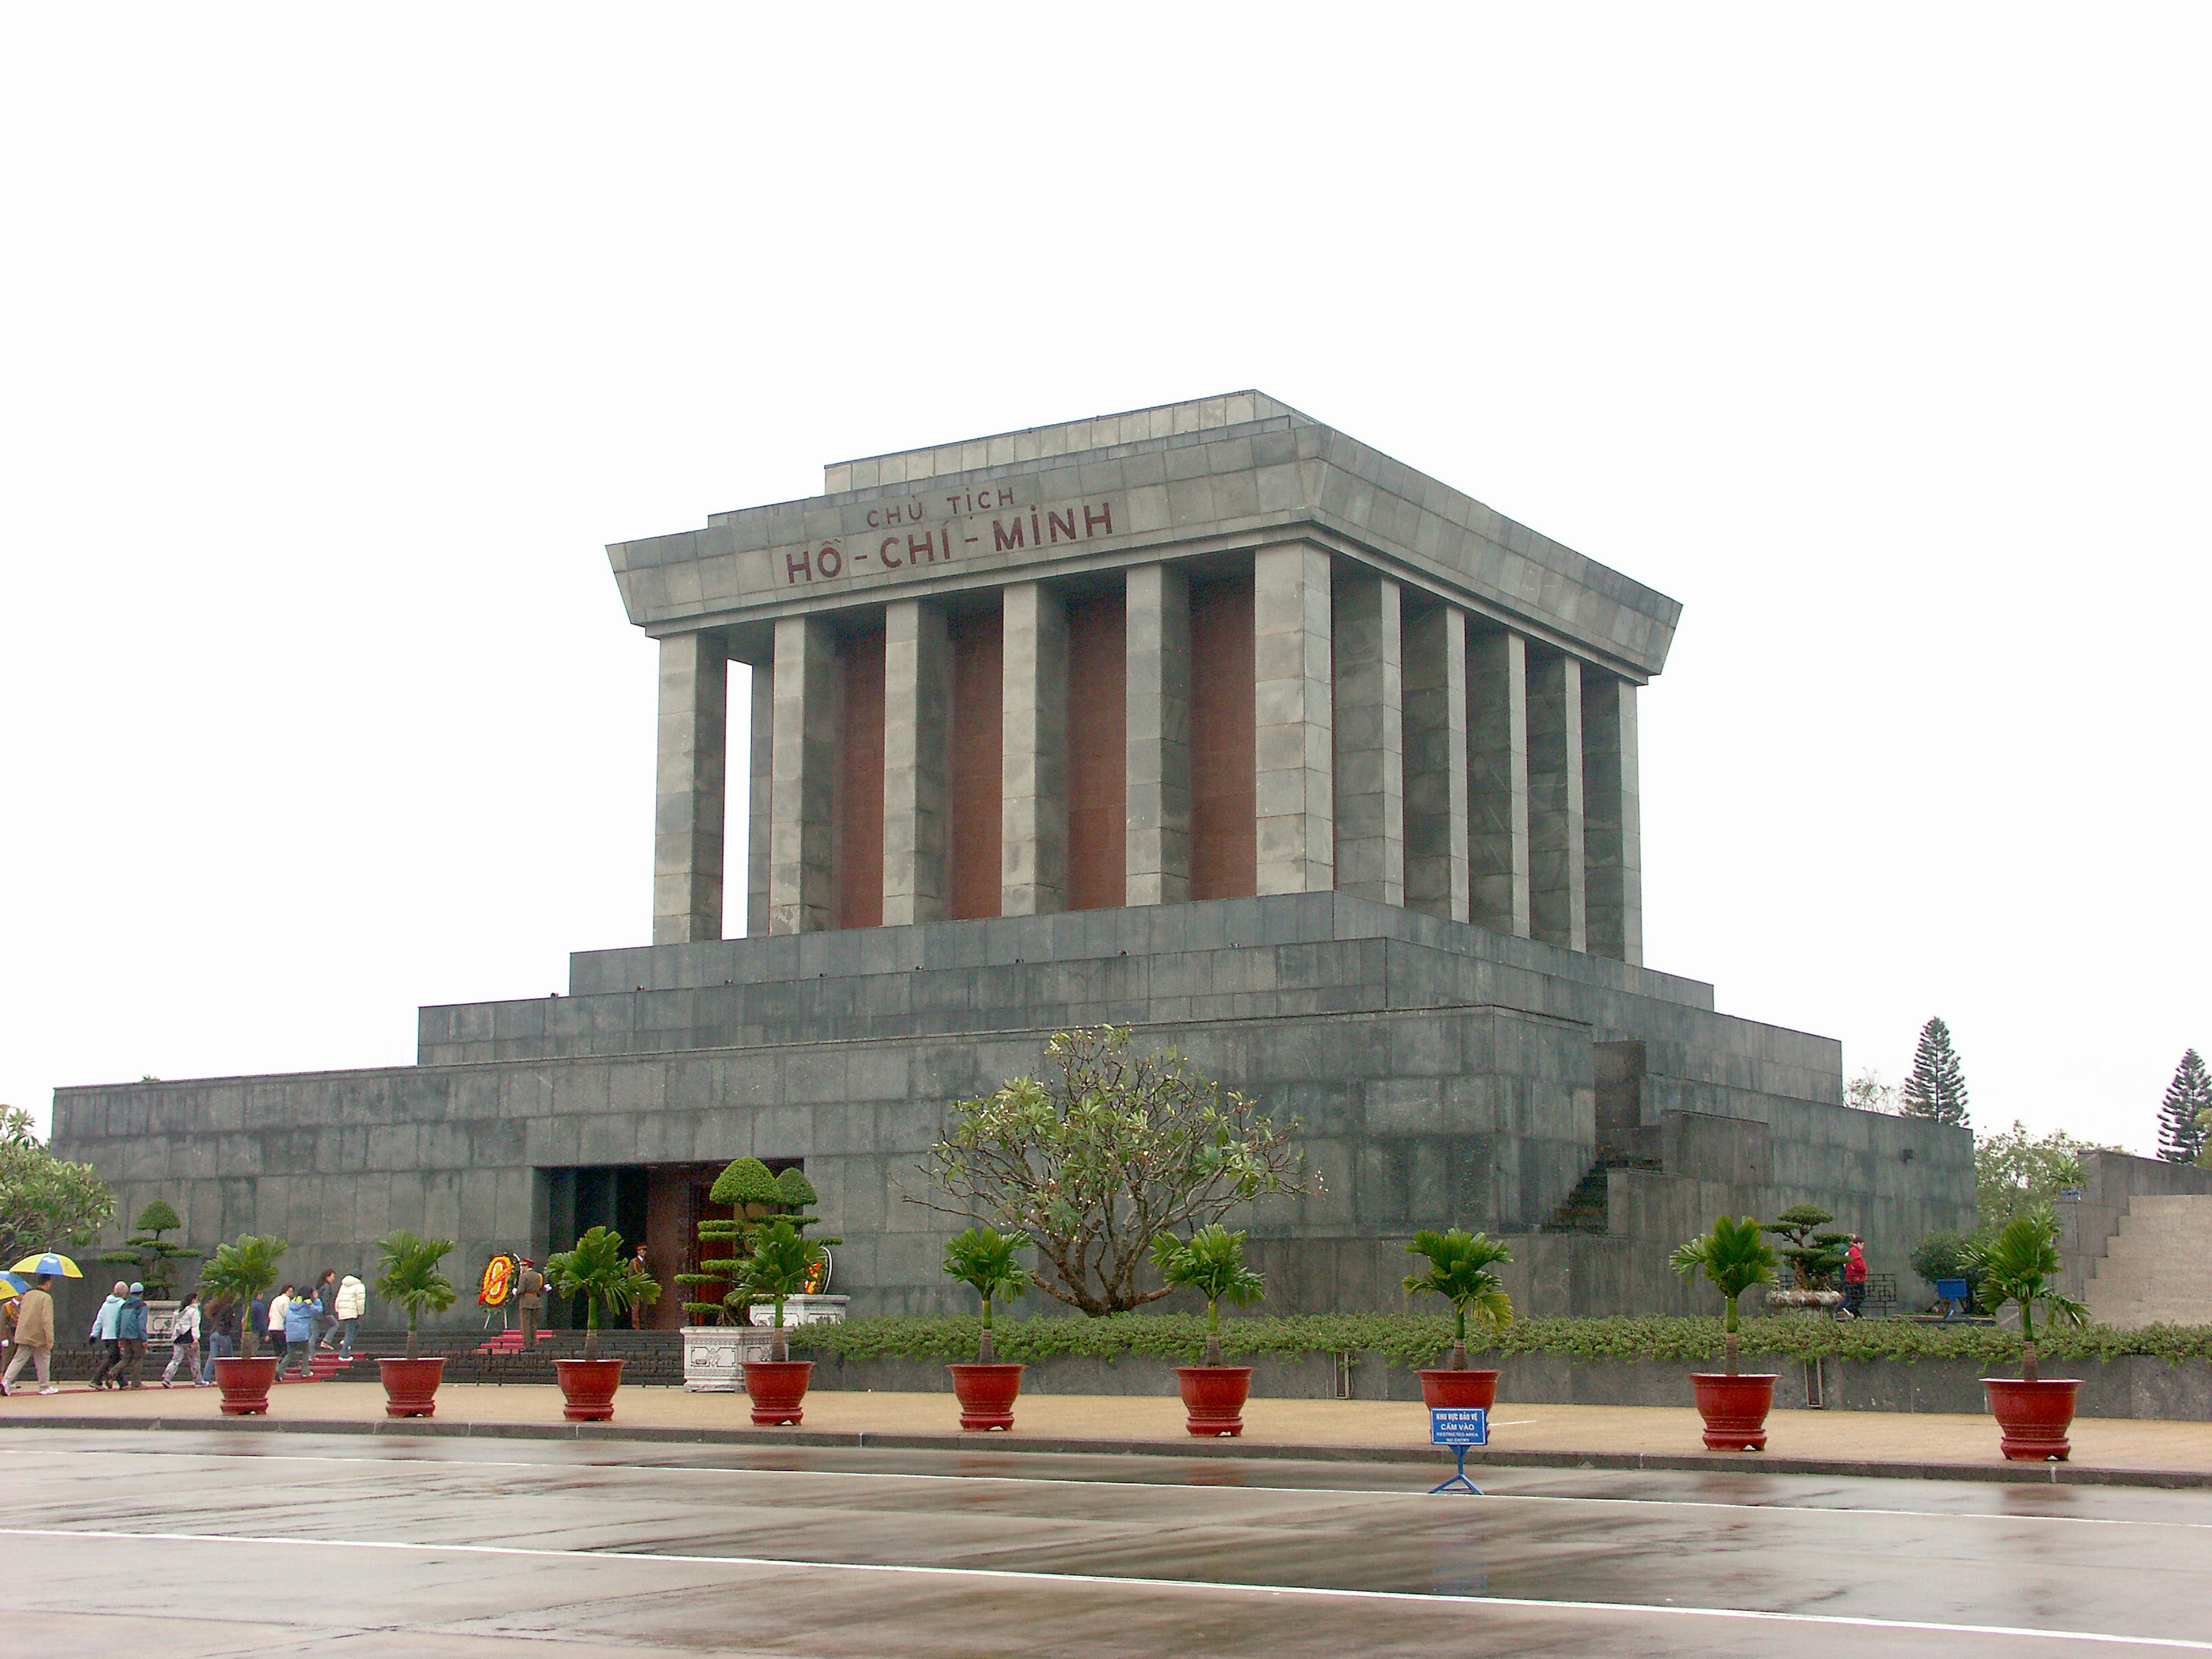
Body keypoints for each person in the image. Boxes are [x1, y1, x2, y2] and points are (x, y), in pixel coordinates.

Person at [1, 1275, 60, 1395]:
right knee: (43, 1359)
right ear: (47, 1283)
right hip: (39, 1335)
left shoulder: (27, 1296)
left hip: (24, 1333)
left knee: (19, 1359)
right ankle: (44, 1386)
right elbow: (47, 1320)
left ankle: (6, 1382)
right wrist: (50, 1339)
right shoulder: (46, 1298)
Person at [88, 1281, 128, 1389]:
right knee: (110, 1360)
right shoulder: (122, 1304)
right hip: (116, 1336)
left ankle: (123, 1383)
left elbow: (99, 1320)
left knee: (115, 1359)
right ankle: (96, 1380)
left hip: (106, 1336)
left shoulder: (105, 1304)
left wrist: (94, 1334)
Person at [161, 1292, 202, 1388]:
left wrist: (173, 1336)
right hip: (190, 1338)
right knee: (195, 1360)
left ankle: (167, 1378)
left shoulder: (178, 1312)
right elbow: (195, 1325)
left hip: (178, 1338)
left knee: (175, 1360)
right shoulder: (194, 1311)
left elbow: (173, 1326)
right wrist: (196, 1338)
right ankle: (198, 1380)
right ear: (193, 1300)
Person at [115, 1282, 150, 1388]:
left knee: (126, 1358)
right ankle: (136, 1383)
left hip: (124, 1336)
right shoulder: (141, 1305)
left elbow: (118, 1322)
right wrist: (144, 1339)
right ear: (141, 1293)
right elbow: (141, 1322)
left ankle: (112, 1373)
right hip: (136, 1336)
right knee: (138, 1358)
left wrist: (119, 1337)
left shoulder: (124, 1305)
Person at [279, 1288, 317, 1378]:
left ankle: (280, 1370)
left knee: (290, 1354)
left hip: (291, 1334)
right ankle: (305, 1371)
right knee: (306, 1351)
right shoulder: (307, 1306)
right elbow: (318, 1311)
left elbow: (285, 1320)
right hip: (302, 1334)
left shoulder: (291, 1306)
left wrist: (286, 1331)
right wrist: (316, 1300)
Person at [200, 1296, 238, 1384]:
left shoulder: (218, 1308)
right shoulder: (229, 1308)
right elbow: (229, 1321)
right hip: (223, 1333)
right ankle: (231, 1377)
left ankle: (206, 1378)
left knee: (212, 1357)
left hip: (214, 1332)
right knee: (229, 1357)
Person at [332, 1271, 365, 1357]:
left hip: (343, 1311)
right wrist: (360, 1312)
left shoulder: (344, 1285)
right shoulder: (360, 1286)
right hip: (352, 1311)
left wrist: (338, 1309)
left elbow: (338, 1298)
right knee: (350, 1332)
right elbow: (360, 1301)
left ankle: (346, 1342)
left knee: (356, 1327)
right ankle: (344, 1354)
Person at [516, 1258, 544, 1346]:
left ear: (527, 1266)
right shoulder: (538, 1276)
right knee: (534, 1325)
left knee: (526, 1325)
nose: (522, 1268)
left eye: (523, 1266)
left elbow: (521, 1290)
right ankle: (533, 1344)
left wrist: (515, 1292)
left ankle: (527, 1345)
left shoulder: (524, 1276)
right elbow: (540, 1290)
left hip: (526, 1302)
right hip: (536, 1302)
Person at [310, 1270, 339, 1351]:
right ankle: (326, 1341)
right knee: (335, 1325)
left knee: (314, 1334)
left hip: (314, 1312)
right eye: (333, 1276)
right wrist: (327, 1313)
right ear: (327, 1277)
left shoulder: (319, 1287)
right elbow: (325, 1300)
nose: (334, 1279)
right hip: (323, 1312)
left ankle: (310, 1355)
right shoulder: (327, 1287)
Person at [1842, 1234, 1869, 1320]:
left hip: (1853, 1278)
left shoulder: (1852, 1251)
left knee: (1855, 1297)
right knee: (1860, 1296)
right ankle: (1850, 1309)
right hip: (1856, 1279)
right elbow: (1857, 1264)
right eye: (1863, 1245)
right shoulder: (1855, 1251)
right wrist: (1863, 1270)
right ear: (1859, 1244)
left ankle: (1856, 1315)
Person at [267, 1285, 292, 1371]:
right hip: (281, 1328)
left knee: (277, 1350)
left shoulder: (275, 1300)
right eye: (290, 1292)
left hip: (272, 1327)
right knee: (285, 1349)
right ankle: (279, 1367)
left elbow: (270, 1314)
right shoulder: (287, 1300)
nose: (291, 1294)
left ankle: (277, 1367)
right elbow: (287, 1314)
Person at [627, 1245, 649, 1330]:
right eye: (642, 1251)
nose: (644, 1252)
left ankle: (643, 1326)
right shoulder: (634, 1262)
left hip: (644, 1288)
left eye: (645, 1251)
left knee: (644, 1309)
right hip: (636, 1289)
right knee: (636, 1309)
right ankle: (636, 1327)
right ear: (638, 1252)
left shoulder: (646, 1263)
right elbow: (630, 1276)